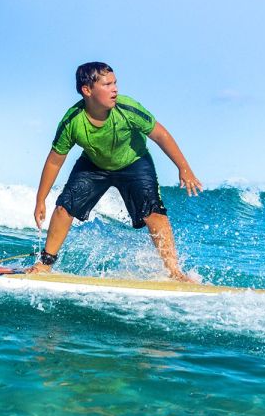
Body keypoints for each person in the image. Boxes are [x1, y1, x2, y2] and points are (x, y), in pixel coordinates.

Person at [28, 62, 202, 281]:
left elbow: (160, 135)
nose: (115, 89)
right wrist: (40, 199)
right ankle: (45, 263)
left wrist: (183, 168)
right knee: (64, 208)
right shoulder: (73, 121)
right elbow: (54, 161)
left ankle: (174, 272)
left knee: (154, 214)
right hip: (93, 165)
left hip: (134, 162)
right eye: (107, 84)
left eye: (115, 83)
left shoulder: (126, 108)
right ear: (87, 90)